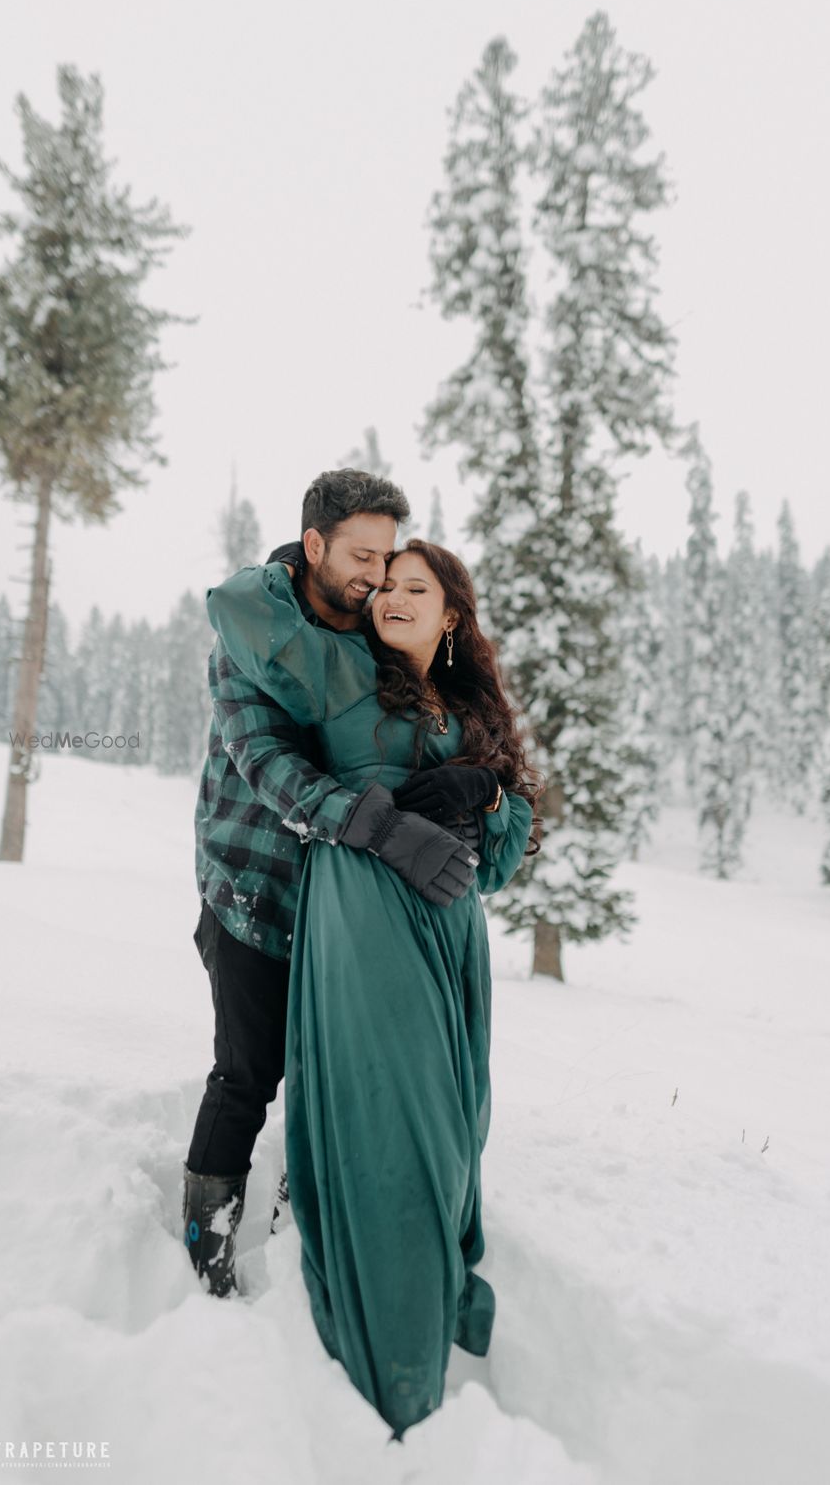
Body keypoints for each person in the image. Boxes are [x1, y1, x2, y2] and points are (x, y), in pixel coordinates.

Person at [205, 537, 541, 1437]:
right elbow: (238, 608)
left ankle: (428, 1318)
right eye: (382, 581)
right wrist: (302, 558)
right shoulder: (345, 670)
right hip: (365, 917)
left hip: (451, 940)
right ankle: (390, 1374)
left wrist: (491, 798)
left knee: (450, 1128)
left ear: (452, 615)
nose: (388, 594)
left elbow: (501, 865)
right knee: (393, 1123)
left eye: (411, 586)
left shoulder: (471, 711)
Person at [183, 470, 480, 1294]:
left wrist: (477, 785)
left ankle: (298, 1233)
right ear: (314, 544)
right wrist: (384, 829)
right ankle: (206, 1242)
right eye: (361, 556)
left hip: (337, 906)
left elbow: (419, 720)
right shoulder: (253, 635)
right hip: (251, 888)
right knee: (248, 1073)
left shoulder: (366, 634)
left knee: (331, 1076)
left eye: (387, 558)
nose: (377, 576)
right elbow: (266, 764)